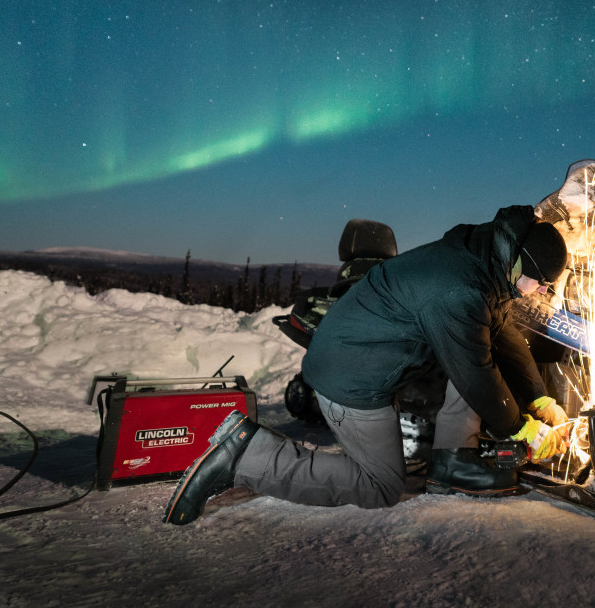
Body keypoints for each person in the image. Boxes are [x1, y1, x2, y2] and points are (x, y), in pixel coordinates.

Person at [164, 205, 571, 525]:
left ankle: (453, 461)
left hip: (364, 354)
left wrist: (539, 400)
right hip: (351, 375)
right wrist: (523, 430)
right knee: (380, 486)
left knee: (480, 356)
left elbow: (501, 332)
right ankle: (246, 455)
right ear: (519, 263)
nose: (543, 291)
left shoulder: (484, 258)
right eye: (541, 282)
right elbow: (475, 371)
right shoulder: (459, 288)